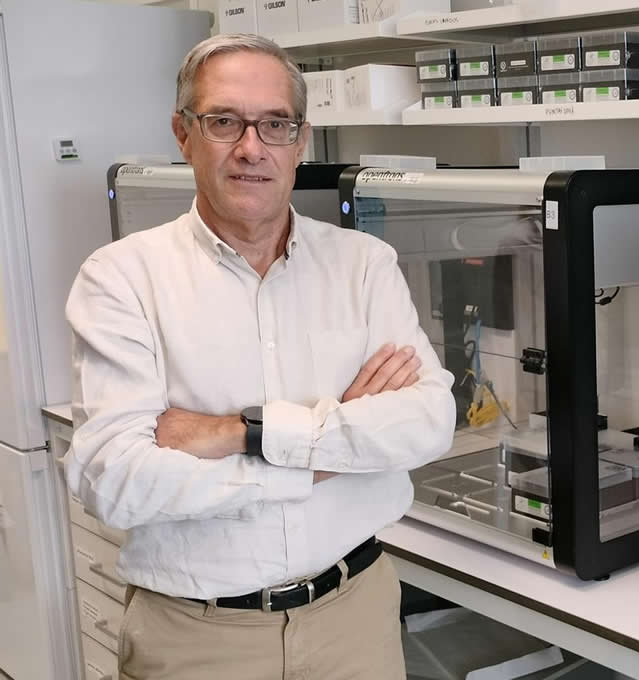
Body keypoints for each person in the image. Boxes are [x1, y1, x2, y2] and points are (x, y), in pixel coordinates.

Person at [64, 33, 455, 679]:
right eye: (224, 121)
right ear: (184, 134)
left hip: (354, 618)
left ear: (300, 141)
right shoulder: (121, 278)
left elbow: (429, 422)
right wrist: (329, 454)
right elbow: (114, 481)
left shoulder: (364, 265)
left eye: (275, 124)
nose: (252, 147)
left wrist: (238, 434)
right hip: (196, 636)